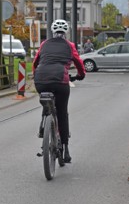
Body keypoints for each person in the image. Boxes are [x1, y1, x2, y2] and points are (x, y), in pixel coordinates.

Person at [33, 19, 86, 163]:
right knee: (62, 112)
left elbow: (36, 62)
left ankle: (44, 124)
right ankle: (65, 149)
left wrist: (35, 75)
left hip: (40, 80)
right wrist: (81, 75)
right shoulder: (69, 45)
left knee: (46, 104)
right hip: (60, 81)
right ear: (66, 32)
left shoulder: (44, 44)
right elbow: (79, 62)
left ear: (52, 31)